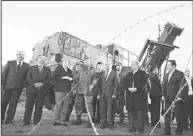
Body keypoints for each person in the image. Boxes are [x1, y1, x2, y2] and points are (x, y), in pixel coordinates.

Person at [1, 51, 29, 124]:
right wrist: (2, 84)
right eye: (19, 54)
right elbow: (4, 74)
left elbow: (26, 78)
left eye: (23, 55)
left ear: (24, 56)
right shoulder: (10, 63)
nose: (21, 56)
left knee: (13, 104)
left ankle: (9, 120)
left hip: (18, 88)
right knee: (3, 103)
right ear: (16, 55)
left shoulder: (27, 65)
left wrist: (24, 86)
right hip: (7, 87)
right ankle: (1, 119)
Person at [22, 55, 51, 126]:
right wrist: (34, 84)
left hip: (42, 89)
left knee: (39, 105)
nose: (42, 60)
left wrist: (42, 84)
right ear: (37, 59)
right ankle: (26, 121)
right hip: (32, 89)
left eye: (44, 59)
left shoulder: (48, 69)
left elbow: (48, 79)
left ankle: (37, 121)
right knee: (28, 105)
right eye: (40, 58)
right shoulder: (31, 68)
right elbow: (28, 77)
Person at [162, 60, 189, 135]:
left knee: (178, 116)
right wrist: (163, 95)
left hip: (177, 99)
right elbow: (164, 86)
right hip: (167, 99)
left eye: (169, 65)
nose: (167, 66)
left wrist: (180, 96)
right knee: (167, 116)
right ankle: (167, 131)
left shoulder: (179, 74)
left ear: (173, 66)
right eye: (167, 65)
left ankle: (179, 132)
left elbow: (184, 86)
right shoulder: (166, 75)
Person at [122, 60, 148, 134]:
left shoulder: (143, 74)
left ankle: (140, 129)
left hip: (139, 97)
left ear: (137, 65)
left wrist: (137, 89)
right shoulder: (128, 75)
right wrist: (128, 88)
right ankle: (131, 128)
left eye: (133, 64)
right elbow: (124, 83)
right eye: (131, 64)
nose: (131, 65)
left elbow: (145, 84)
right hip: (130, 97)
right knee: (131, 113)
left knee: (139, 113)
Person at [72, 61, 94, 128]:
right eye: (77, 66)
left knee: (89, 106)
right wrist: (74, 89)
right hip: (79, 91)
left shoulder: (91, 71)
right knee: (78, 105)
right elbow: (74, 80)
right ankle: (78, 120)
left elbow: (96, 78)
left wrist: (92, 85)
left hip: (88, 91)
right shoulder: (78, 71)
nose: (79, 67)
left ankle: (90, 121)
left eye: (80, 65)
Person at [52, 57, 73, 126]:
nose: (66, 63)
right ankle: (56, 120)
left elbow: (72, 79)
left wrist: (70, 79)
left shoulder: (69, 70)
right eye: (65, 61)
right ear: (62, 62)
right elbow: (53, 77)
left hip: (67, 90)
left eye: (67, 62)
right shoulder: (58, 68)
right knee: (59, 105)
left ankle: (62, 121)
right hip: (59, 90)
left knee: (65, 106)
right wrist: (63, 78)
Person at [97, 62, 118, 130]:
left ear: (110, 66)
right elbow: (99, 85)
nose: (107, 66)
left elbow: (116, 84)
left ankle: (110, 124)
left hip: (110, 95)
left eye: (108, 64)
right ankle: (104, 123)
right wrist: (98, 94)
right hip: (102, 95)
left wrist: (114, 94)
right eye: (106, 65)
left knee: (110, 110)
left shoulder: (114, 73)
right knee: (102, 109)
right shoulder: (102, 74)